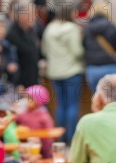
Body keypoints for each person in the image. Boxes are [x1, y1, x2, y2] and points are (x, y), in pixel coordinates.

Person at [41, 3, 84, 145]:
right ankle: (71, 138)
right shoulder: (71, 29)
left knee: (60, 105)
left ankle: (60, 137)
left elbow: (45, 51)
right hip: (71, 71)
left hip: (54, 72)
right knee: (72, 105)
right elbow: (77, 51)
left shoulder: (49, 28)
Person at [83, 3, 116, 92]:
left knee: (98, 99)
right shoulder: (110, 26)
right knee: (112, 98)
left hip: (92, 68)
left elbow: (83, 46)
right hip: (109, 66)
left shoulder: (87, 28)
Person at [6, 0, 40, 88]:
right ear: (20, 15)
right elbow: (11, 61)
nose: (35, 17)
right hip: (19, 85)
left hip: (33, 80)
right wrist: (17, 84)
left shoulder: (32, 30)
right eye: (31, 14)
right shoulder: (11, 35)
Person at [15, 84, 54, 158]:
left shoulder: (44, 116)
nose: (26, 101)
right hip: (26, 148)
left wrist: (47, 153)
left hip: (41, 149)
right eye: (26, 98)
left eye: (30, 99)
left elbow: (48, 137)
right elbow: (18, 119)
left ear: (38, 101)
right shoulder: (25, 112)